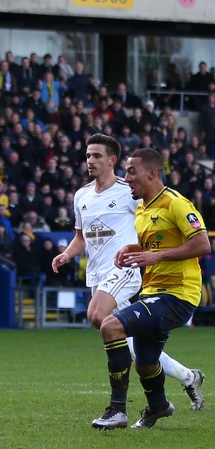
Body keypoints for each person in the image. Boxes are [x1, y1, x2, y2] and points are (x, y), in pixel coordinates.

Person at [51, 136, 205, 429]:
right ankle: (183, 381)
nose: (90, 161)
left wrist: (145, 256)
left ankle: (118, 409)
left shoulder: (134, 194)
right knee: (140, 354)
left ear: (111, 160)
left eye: (97, 155)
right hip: (105, 275)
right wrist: (68, 254)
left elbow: (195, 241)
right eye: (87, 155)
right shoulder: (85, 196)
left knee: (102, 319)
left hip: (128, 274)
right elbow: (81, 237)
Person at [102, 148, 212, 428]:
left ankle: (117, 410)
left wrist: (156, 256)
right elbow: (157, 245)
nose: (126, 178)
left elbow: (202, 244)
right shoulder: (142, 208)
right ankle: (159, 407)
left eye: (131, 171)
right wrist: (133, 249)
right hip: (153, 293)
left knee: (110, 326)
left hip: (177, 294)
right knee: (146, 362)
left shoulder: (177, 203)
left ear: (152, 173)